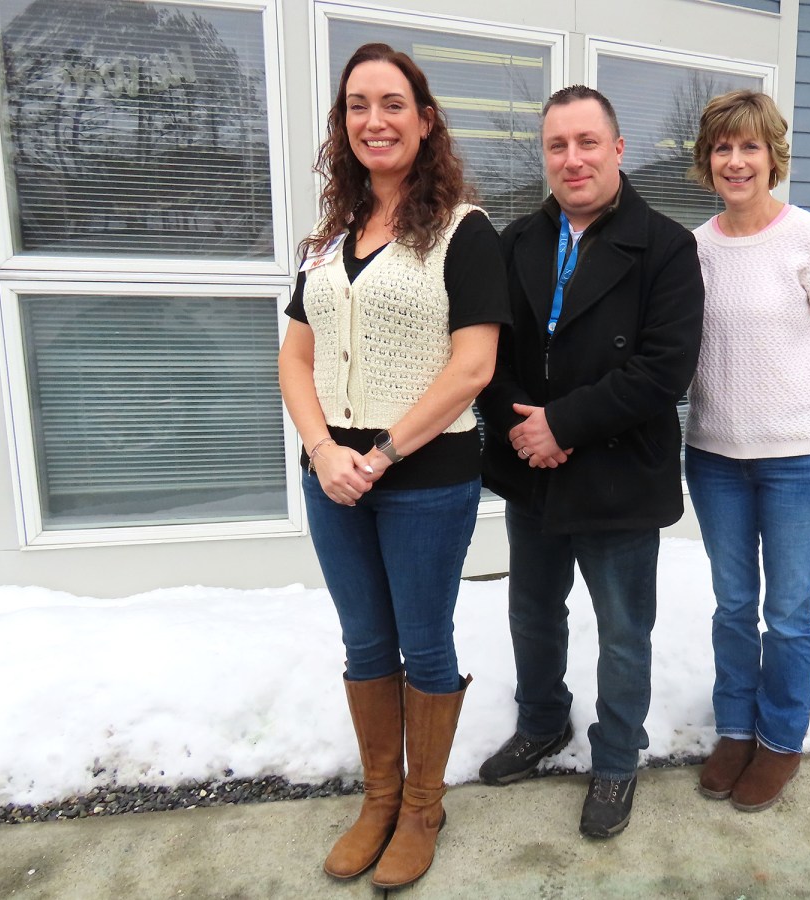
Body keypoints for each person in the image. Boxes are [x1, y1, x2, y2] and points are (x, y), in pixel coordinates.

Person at [277, 43, 509, 888]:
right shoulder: (329, 238)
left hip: (424, 479)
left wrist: (378, 455)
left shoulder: (463, 232)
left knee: (424, 642)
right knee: (365, 641)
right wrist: (322, 451)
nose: (374, 120)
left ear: (425, 118)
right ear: (343, 125)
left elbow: (471, 369)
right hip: (333, 476)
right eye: (356, 106)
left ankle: (422, 806)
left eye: (392, 103)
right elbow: (293, 360)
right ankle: (378, 798)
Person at [475, 85, 704, 838]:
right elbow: (488, 355)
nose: (572, 160)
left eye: (586, 143)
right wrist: (520, 429)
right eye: (557, 146)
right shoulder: (516, 243)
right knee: (533, 612)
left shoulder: (668, 247)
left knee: (622, 629)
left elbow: (662, 370)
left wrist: (563, 424)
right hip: (529, 468)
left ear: (617, 150)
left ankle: (615, 760)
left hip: (617, 471)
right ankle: (542, 722)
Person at [684, 90, 810, 812]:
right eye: (724, 149)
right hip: (715, 458)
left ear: (772, 158)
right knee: (734, 605)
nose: (737, 161)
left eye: (750, 148)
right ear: (709, 162)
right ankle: (736, 729)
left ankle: (780, 741)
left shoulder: (809, 241)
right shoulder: (695, 249)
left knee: (788, 609)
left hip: (801, 461)